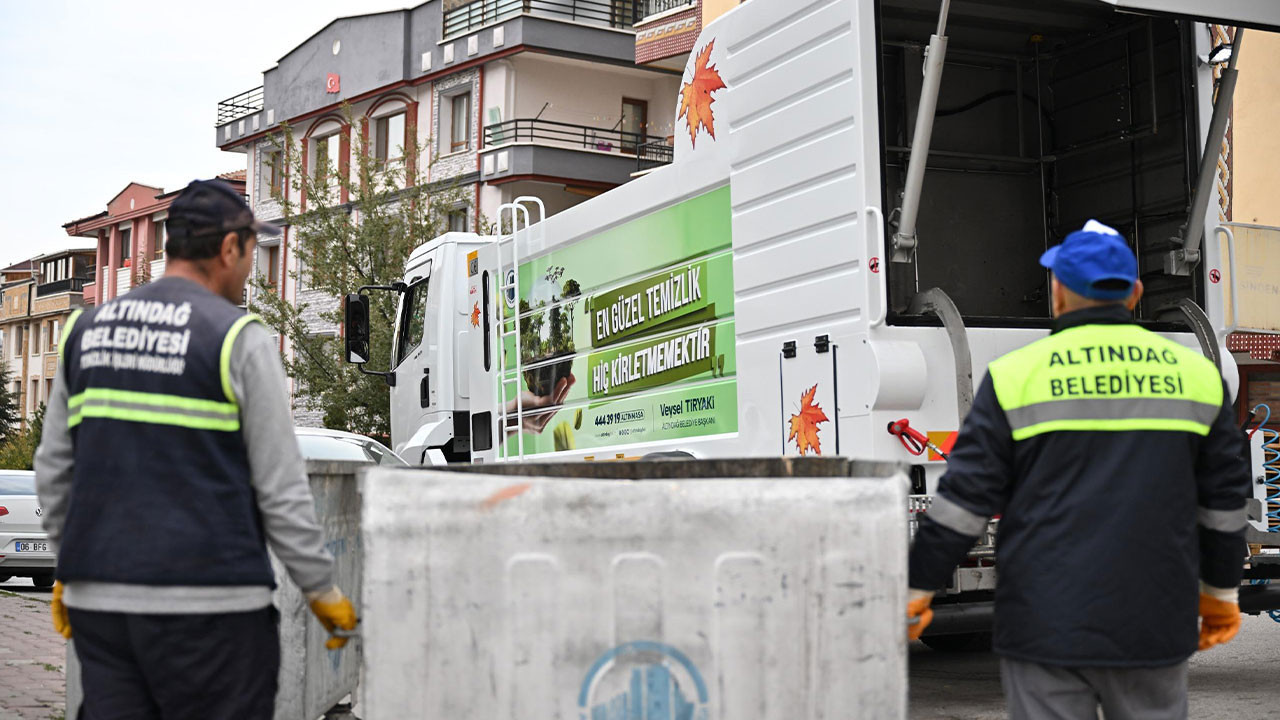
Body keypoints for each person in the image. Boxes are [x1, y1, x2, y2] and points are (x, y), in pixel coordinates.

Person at [34, 179, 358, 719]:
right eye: (253, 252)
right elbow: (279, 488)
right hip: (213, 610)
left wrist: (73, 563)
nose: (252, 268)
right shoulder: (237, 338)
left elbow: (53, 471)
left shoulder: (83, 331)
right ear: (229, 248)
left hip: (103, 605)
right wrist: (321, 589)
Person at [906, 220, 1250, 719]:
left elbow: (963, 503)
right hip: (1153, 623)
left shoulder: (1015, 377)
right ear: (1133, 293)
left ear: (1059, 293)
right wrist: (1220, 593)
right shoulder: (1197, 377)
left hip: (1044, 625)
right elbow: (1223, 504)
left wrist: (917, 588)